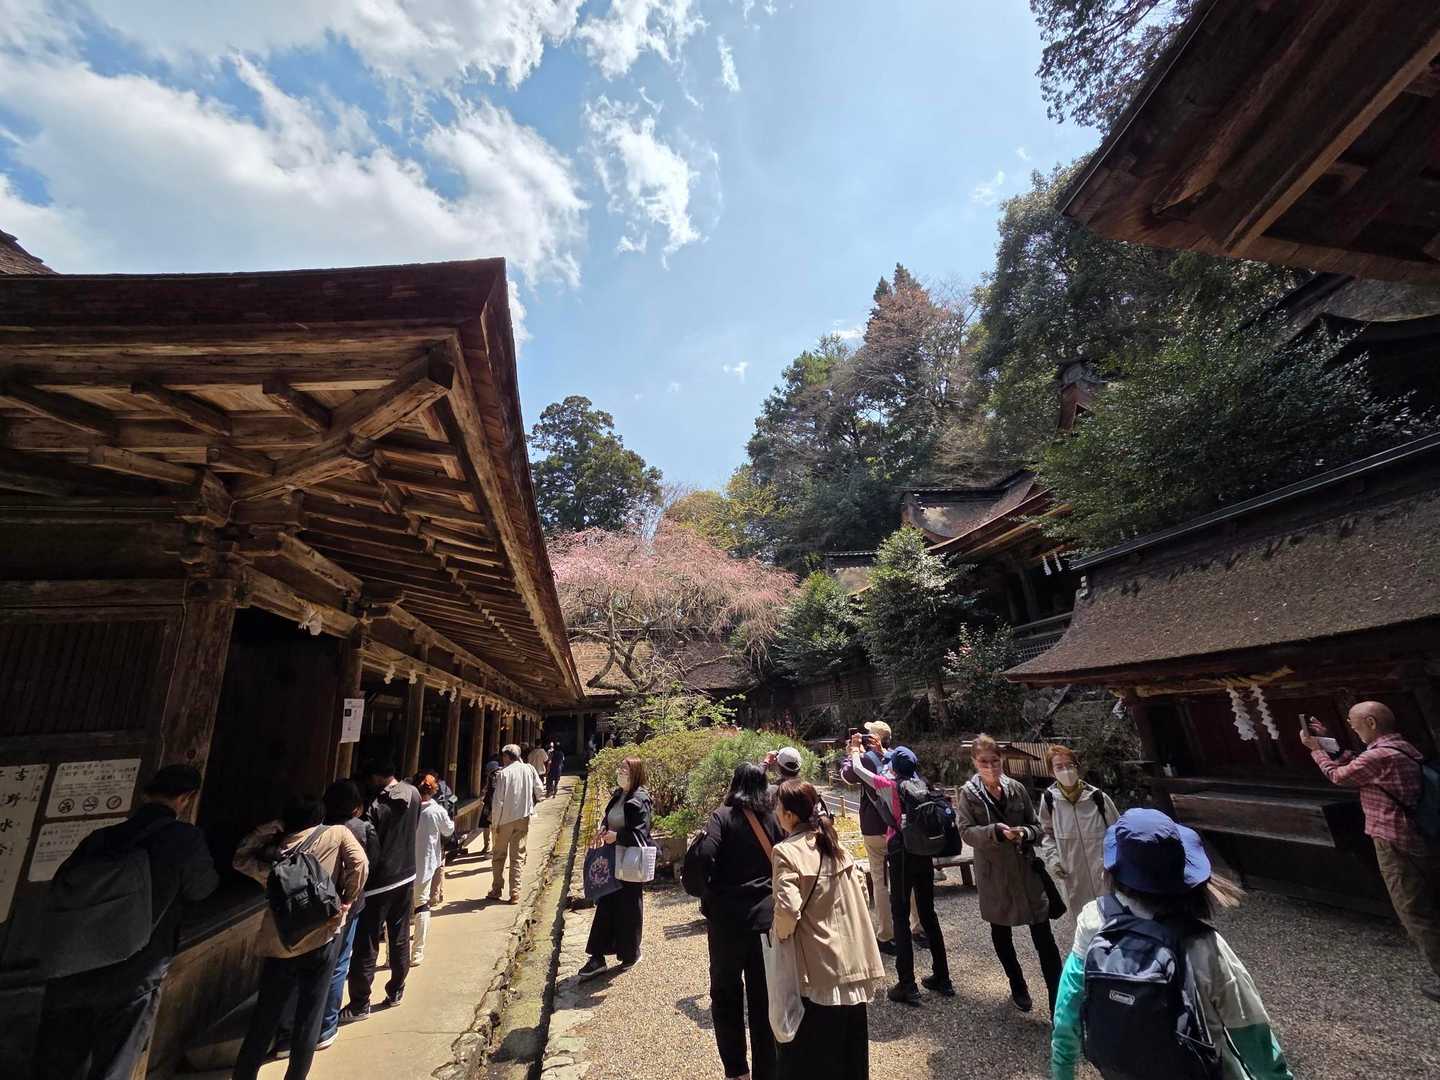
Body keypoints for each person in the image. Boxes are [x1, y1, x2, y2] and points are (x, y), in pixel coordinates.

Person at [1051, 809, 1294, 1080]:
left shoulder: (1094, 921)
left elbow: (1067, 1012)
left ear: (1113, 871)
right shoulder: (1203, 944)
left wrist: (1062, 1072)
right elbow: (1251, 1034)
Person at [34, 764, 219, 1080]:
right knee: (114, 1065)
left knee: (59, 1064)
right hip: (135, 968)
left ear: (146, 794)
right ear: (186, 798)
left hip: (73, 965)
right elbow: (202, 888)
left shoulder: (101, 837)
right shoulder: (184, 839)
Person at [1302, 701, 1440, 1003]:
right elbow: (1357, 764)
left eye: (1354, 723)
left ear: (1371, 722)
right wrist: (1328, 742)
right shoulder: (1401, 748)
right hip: (1419, 834)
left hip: (1395, 838)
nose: (1352, 728)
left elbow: (1340, 776)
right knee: (1428, 898)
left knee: (1414, 908)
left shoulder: (1380, 756)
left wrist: (1315, 750)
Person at [233, 796, 369, 1080]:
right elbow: (360, 864)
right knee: (310, 1016)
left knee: (264, 1017)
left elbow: (241, 860)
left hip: (281, 941)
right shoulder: (336, 834)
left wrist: (263, 831)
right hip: (322, 935)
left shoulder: (276, 854)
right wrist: (346, 900)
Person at [772, 780, 886, 1080]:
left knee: (818, 1057)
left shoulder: (786, 852)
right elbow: (862, 891)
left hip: (819, 967)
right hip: (854, 963)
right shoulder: (836, 846)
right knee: (852, 1055)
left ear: (789, 815)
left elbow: (787, 910)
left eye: (778, 806)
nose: (775, 811)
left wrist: (780, 935)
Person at [682, 762, 785, 1080]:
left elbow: (702, 856)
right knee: (764, 999)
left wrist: (705, 891)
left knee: (726, 995)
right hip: (766, 920)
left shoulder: (722, 817)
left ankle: (736, 1069)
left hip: (728, 921)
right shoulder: (774, 817)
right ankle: (767, 1071)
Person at [956, 734, 1063, 1016]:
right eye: (984, 762)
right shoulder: (968, 794)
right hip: (994, 874)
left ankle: (1058, 1000)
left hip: (1025, 870)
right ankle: (1017, 984)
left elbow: (1037, 826)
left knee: (1044, 936)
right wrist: (994, 832)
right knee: (1001, 933)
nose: (990, 767)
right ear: (974, 762)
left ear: (1001, 759)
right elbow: (965, 831)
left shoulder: (1016, 789)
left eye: (994, 761)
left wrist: (1024, 833)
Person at [846, 741, 952, 1005]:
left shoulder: (889, 785)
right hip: (924, 853)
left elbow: (858, 770)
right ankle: (943, 978)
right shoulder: (922, 784)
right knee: (928, 914)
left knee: (900, 916)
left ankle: (907, 984)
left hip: (901, 853)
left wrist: (855, 751)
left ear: (893, 766)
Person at [342, 758, 420, 1022]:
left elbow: (368, 844)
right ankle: (397, 989)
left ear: (376, 777)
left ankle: (359, 1003)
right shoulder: (413, 793)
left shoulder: (376, 805)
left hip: (379, 882)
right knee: (399, 936)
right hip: (406, 873)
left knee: (366, 944)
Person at [838, 721, 924, 955]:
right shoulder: (897, 758)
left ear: (873, 738)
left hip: (874, 827)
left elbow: (848, 775)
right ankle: (918, 927)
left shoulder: (865, 759)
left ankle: (887, 934)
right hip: (900, 828)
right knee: (908, 877)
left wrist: (851, 753)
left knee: (880, 881)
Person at [578, 757, 652, 979]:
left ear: (635, 773)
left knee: (629, 907)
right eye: (620, 768)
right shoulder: (619, 795)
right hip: (612, 858)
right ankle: (597, 956)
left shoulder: (640, 800)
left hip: (629, 861)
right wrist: (603, 828)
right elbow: (608, 818)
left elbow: (641, 833)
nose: (620, 772)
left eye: (625, 769)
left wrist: (617, 836)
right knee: (605, 903)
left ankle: (630, 953)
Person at [1037, 745, 1119, 917]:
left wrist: (1115, 863)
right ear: (1051, 772)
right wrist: (1053, 859)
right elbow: (1046, 834)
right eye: (1059, 767)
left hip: (1103, 872)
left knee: (1113, 918)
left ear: (1077, 767)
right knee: (1083, 920)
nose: (1066, 770)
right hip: (1072, 874)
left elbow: (1118, 832)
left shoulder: (1097, 797)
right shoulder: (1049, 800)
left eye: (1070, 765)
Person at [488, 743, 544, 903]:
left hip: (505, 819)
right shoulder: (529, 769)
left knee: (499, 855)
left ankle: (497, 889)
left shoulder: (504, 774)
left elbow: (498, 801)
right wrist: (531, 807)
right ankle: (515, 892)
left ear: (506, 756)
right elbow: (539, 789)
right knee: (517, 856)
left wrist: (495, 823)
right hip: (523, 818)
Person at [412, 773, 455, 966]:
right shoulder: (437, 810)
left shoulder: (407, 809)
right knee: (422, 906)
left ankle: (390, 956)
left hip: (403, 865)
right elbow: (448, 830)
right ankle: (417, 952)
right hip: (426, 863)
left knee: (398, 911)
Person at [478, 756, 502, 856]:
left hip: (492, 804)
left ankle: (491, 848)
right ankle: (488, 846)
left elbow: (491, 791)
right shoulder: (493, 776)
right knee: (489, 826)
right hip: (491, 804)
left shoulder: (495, 776)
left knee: (491, 827)